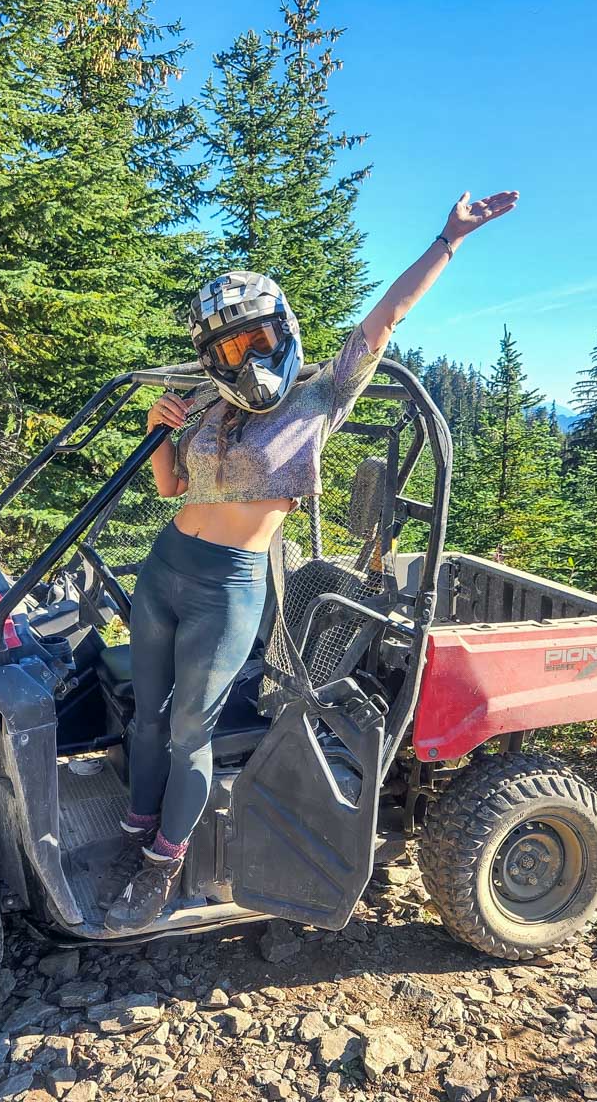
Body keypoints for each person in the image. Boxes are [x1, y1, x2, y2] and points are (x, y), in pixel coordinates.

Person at [103, 189, 519, 934]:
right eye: (231, 351)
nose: (248, 359)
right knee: (148, 714)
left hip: (227, 587)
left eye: (258, 340)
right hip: (166, 567)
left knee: (189, 731)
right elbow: (169, 487)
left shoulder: (320, 397)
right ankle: (136, 826)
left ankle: (162, 864)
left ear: (283, 333)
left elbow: (384, 320)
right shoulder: (210, 407)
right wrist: (157, 428)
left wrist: (448, 238)